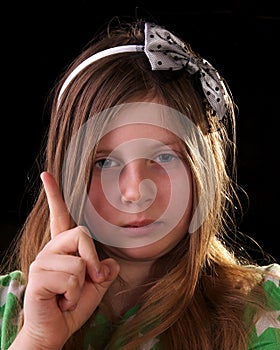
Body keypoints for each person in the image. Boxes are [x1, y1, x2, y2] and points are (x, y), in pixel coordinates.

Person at [0, 16, 279, 350]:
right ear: (65, 174)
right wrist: (38, 339)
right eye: (104, 162)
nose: (135, 192)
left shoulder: (266, 309)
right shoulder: (8, 309)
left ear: (202, 169)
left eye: (164, 158)